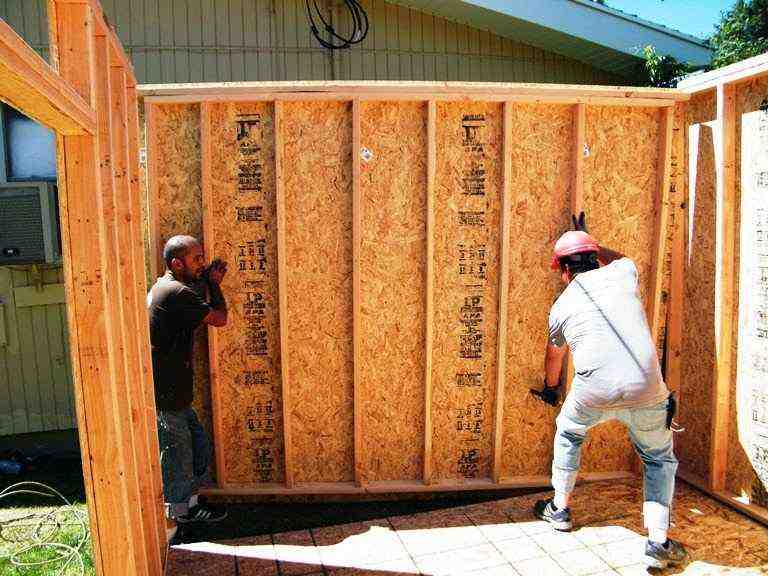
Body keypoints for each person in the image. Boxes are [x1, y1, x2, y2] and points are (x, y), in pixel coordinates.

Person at [530, 214, 686, 570]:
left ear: (563, 271)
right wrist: (591, 242)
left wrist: (551, 389)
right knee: (658, 459)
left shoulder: (561, 306)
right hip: (647, 390)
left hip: (593, 393)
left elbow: (554, 358)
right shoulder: (622, 273)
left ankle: (560, 509)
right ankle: (658, 542)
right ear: (595, 258)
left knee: (569, 431)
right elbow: (620, 258)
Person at [147, 235, 228, 538]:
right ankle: (172, 530)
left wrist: (204, 280)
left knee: (197, 447)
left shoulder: (166, 287)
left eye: (202, 257)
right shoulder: (176, 293)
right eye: (196, 259)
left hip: (175, 394)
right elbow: (219, 318)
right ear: (176, 263)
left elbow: (191, 302)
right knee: (177, 460)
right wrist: (214, 284)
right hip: (168, 397)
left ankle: (189, 509)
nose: (202, 264)